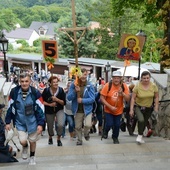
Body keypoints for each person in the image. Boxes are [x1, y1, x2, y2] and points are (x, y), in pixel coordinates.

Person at [5, 73, 45, 165]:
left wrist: (40, 124)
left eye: (26, 81)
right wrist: (8, 122)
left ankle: (32, 157)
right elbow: (10, 107)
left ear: (30, 81)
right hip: (20, 122)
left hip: (33, 122)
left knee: (32, 141)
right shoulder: (14, 92)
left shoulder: (35, 93)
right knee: (22, 141)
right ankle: (25, 146)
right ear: (19, 81)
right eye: (22, 81)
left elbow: (41, 109)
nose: (24, 83)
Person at [100, 71, 130, 144]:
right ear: (112, 78)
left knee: (117, 125)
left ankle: (115, 137)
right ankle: (106, 131)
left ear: (120, 79)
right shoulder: (107, 85)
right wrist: (110, 107)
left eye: (118, 78)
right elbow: (102, 98)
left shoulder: (124, 86)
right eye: (115, 78)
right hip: (108, 109)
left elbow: (128, 99)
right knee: (109, 124)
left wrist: (122, 93)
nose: (116, 80)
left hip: (118, 109)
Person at [67, 68, 95, 145]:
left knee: (88, 124)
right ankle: (79, 139)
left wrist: (82, 100)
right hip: (77, 110)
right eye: (81, 75)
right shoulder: (74, 84)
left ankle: (86, 133)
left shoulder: (90, 85)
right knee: (77, 127)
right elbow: (69, 97)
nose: (83, 76)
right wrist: (74, 91)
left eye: (85, 75)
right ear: (78, 75)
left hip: (87, 110)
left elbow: (92, 99)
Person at [129, 71, 159, 144]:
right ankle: (139, 135)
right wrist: (131, 109)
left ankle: (140, 135)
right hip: (138, 106)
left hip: (149, 108)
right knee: (141, 120)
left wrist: (156, 108)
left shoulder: (153, 86)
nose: (146, 80)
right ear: (141, 78)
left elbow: (156, 97)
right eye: (144, 78)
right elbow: (133, 98)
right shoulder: (137, 86)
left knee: (145, 122)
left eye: (147, 78)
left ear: (150, 78)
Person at [42, 76, 66, 146]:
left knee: (61, 124)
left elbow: (64, 103)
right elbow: (41, 101)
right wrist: (49, 104)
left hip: (59, 109)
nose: (56, 84)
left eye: (56, 82)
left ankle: (59, 138)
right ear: (50, 83)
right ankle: (50, 137)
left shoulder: (61, 90)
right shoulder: (46, 91)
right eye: (54, 82)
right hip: (49, 110)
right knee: (50, 125)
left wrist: (57, 100)